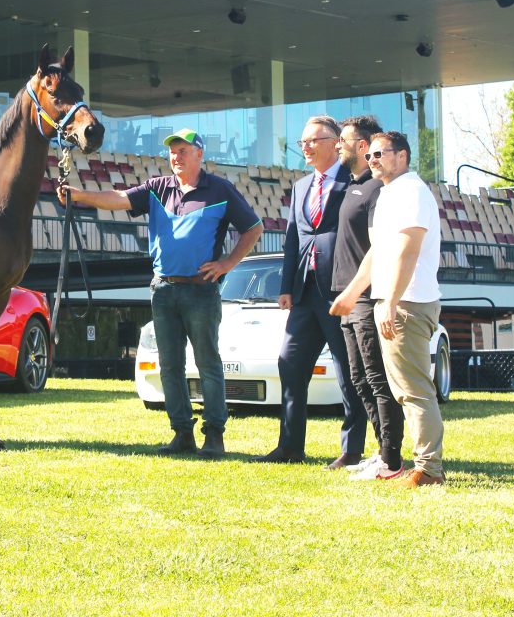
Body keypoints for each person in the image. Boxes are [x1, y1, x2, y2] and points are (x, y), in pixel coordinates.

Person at [59, 128, 263, 459]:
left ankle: (214, 435)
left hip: (201, 291)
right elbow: (119, 198)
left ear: (199, 154)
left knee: (207, 363)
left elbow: (254, 229)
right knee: (169, 366)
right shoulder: (157, 187)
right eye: (172, 151)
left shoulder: (221, 190)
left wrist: (226, 263)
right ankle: (182, 433)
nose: (175, 156)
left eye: (183, 151)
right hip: (164, 290)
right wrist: (79, 196)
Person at [331, 131, 445, 487]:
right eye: (371, 155)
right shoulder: (392, 193)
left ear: (403, 156)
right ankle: (424, 465)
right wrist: (352, 293)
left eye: (381, 153)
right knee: (402, 388)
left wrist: (391, 301)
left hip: (408, 300)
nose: (373, 159)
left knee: (413, 389)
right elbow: (378, 251)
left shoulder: (410, 190)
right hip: (396, 299)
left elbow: (408, 249)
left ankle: (428, 469)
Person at [255, 116, 365, 466]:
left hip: (340, 290)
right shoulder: (301, 186)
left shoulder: (354, 181)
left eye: (312, 140)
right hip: (303, 293)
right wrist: (286, 286)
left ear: (335, 142)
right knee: (290, 364)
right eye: (301, 141)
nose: (304, 146)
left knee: (348, 373)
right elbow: (293, 238)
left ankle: (351, 450)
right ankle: (290, 446)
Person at [331, 116, 407, 480]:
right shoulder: (352, 186)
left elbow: (381, 247)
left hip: (367, 296)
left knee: (377, 378)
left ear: (362, 146)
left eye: (343, 140)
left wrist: (359, 291)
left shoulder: (378, 190)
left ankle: (392, 459)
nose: (338, 146)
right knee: (359, 379)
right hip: (349, 298)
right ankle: (382, 453)